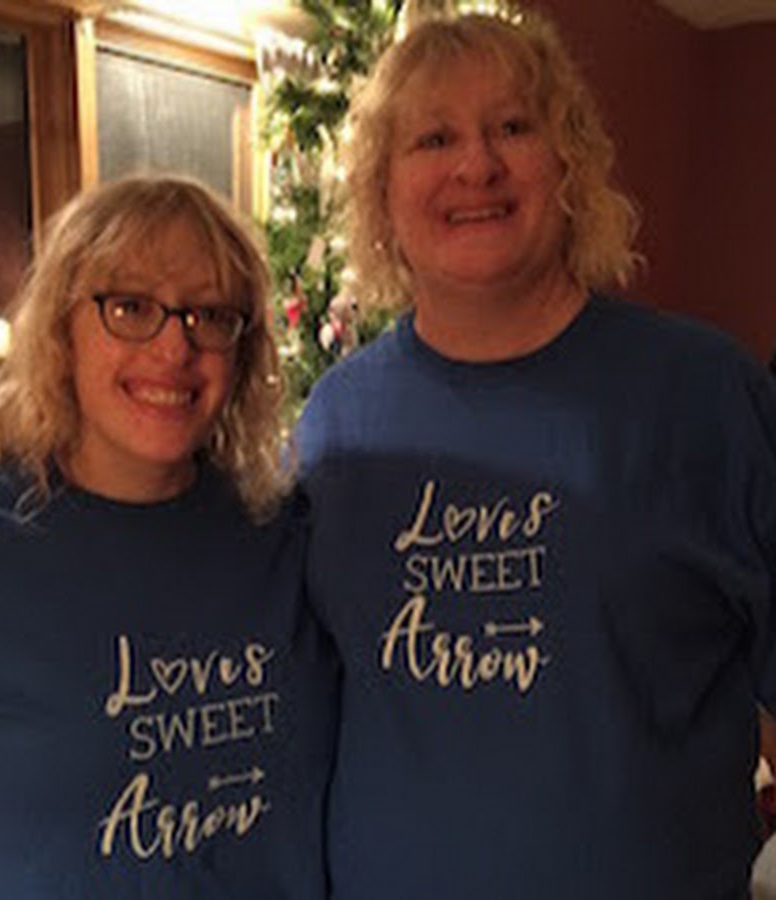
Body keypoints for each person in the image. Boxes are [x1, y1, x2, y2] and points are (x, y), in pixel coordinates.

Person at [295, 7, 776, 899]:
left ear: (569, 163)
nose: (476, 165)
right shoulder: (335, 423)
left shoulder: (708, 396)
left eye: (513, 126)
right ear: (382, 192)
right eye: (434, 138)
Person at [0, 174, 336, 899]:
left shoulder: (280, 534)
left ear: (243, 353)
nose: (174, 346)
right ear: (62, 330)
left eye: (211, 315)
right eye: (130, 307)